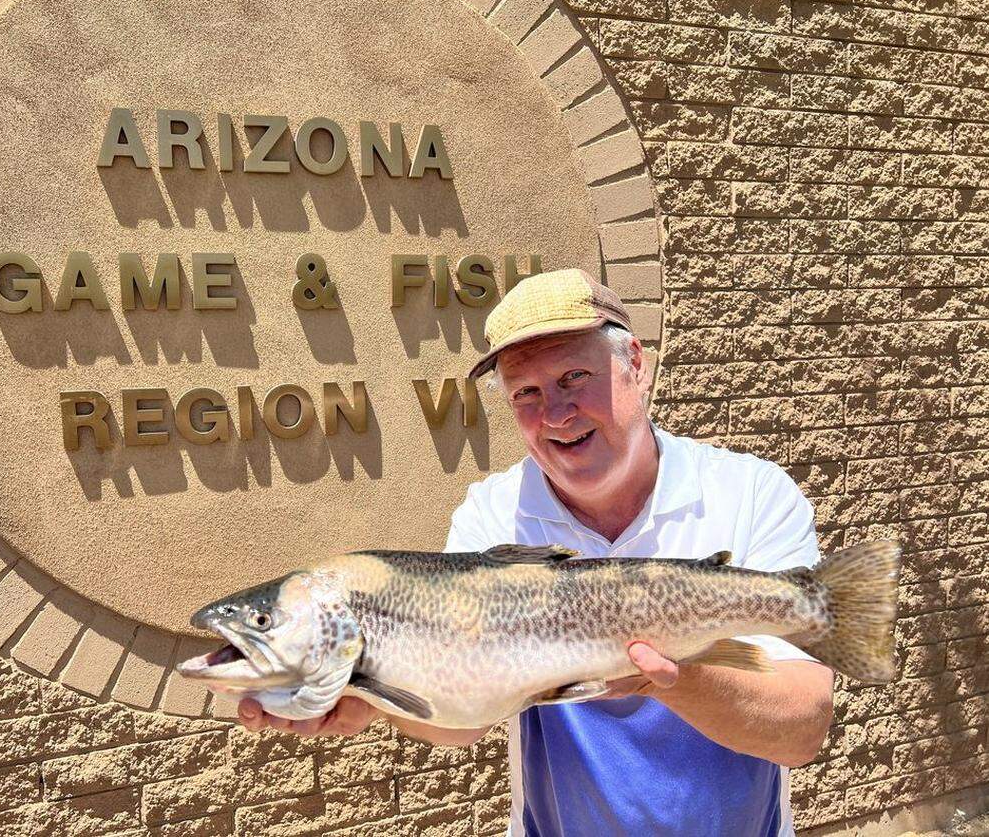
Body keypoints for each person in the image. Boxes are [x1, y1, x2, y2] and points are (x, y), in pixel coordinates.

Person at [238, 268, 834, 835]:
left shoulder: (751, 493)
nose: (556, 412)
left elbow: (802, 729)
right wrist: (372, 701)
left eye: (574, 377)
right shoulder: (494, 515)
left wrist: (665, 677)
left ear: (635, 366)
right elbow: (463, 716)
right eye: (526, 392)